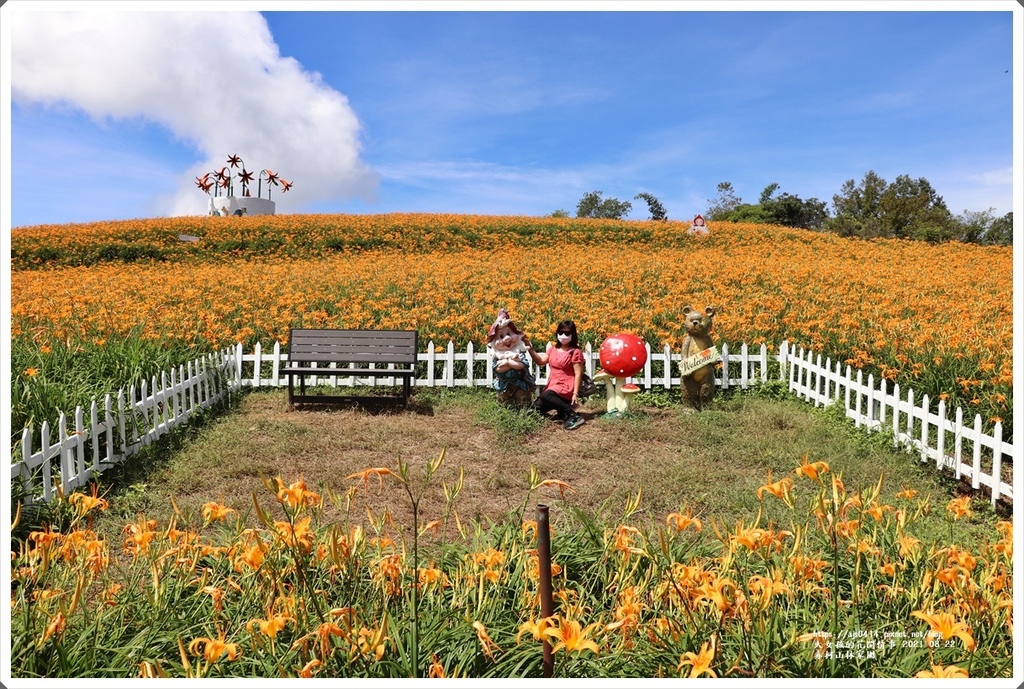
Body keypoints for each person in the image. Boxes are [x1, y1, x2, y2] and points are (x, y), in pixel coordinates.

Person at [524, 320, 586, 430]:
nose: (563, 336)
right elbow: (540, 361)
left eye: (567, 333)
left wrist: (575, 393)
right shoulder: (553, 349)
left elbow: (578, 373)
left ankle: (573, 415)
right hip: (553, 386)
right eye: (561, 332)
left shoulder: (575, 352)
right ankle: (562, 411)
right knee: (535, 408)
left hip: (566, 387)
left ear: (573, 335)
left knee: (546, 396)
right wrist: (530, 347)